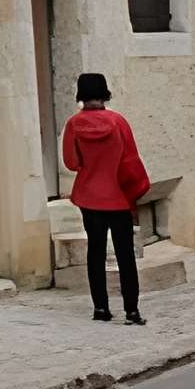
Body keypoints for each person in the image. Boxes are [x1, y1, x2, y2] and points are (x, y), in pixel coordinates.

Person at [62, 71, 151, 324]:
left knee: (95, 252)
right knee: (125, 255)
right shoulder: (119, 122)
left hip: (89, 197)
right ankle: (132, 311)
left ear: (80, 94)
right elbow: (131, 160)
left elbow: (71, 163)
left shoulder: (73, 125)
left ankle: (100, 308)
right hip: (119, 198)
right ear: (105, 93)